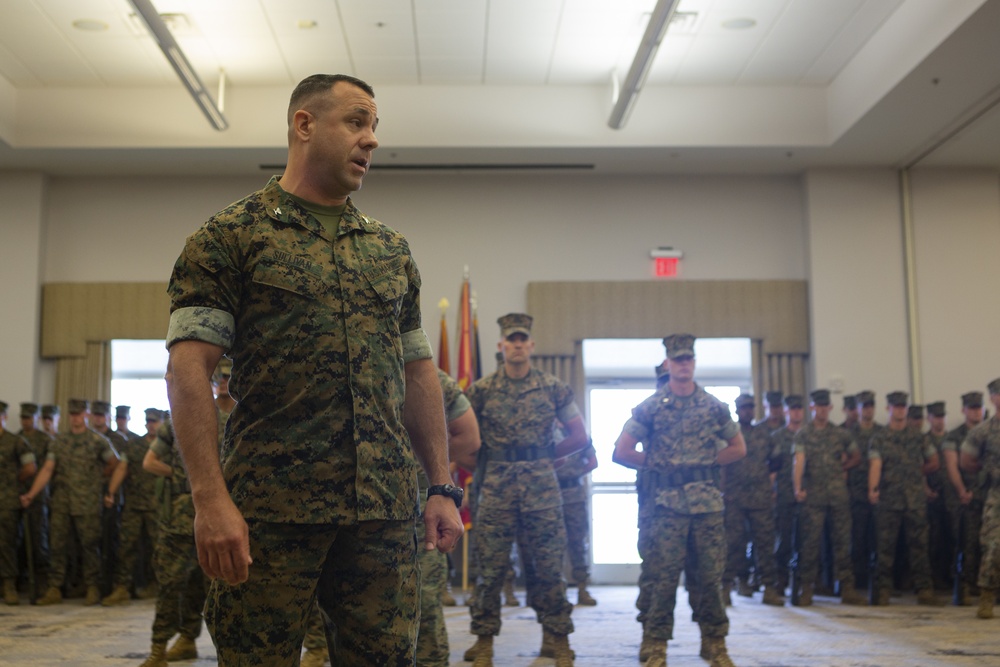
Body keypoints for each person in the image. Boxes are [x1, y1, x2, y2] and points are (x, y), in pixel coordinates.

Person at [163, 73, 462, 666]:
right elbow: (187, 371)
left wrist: (441, 485)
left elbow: (417, 372)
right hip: (270, 511)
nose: (371, 139)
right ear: (305, 124)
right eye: (357, 121)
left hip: (380, 511)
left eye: (374, 125)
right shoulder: (231, 237)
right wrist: (209, 500)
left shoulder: (389, 250)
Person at [301, 368, 480, 667]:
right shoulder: (337, 362)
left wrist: (408, 463)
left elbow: (470, 437)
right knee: (350, 602)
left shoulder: (425, 375)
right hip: (345, 502)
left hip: (414, 503)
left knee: (423, 601)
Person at [613, 333, 746, 667]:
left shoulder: (714, 406)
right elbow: (622, 451)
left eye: (688, 359)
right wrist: (656, 463)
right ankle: (655, 643)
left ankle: (714, 643)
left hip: (707, 508)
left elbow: (738, 447)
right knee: (661, 578)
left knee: (710, 579)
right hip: (665, 509)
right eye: (678, 360)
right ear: (667, 364)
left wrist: (707, 463)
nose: (683, 365)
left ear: (694, 363)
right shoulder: (651, 407)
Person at [464, 313, 587, 667]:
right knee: (490, 569)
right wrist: (487, 467)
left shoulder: (554, 387)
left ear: (531, 345)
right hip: (496, 489)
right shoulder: (481, 390)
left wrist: (546, 457)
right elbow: (461, 438)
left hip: (542, 491)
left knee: (549, 566)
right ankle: (484, 641)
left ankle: (557, 638)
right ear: (501, 346)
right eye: (511, 340)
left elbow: (579, 436)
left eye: (522, 340)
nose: (517, 345)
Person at [20, 398, 126, 606]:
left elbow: (114, 463)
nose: (76, 418)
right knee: (57, 545)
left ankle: (92, 587)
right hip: (62, 502)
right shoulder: (59, 441)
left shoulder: (97, 441)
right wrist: (32, 493)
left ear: (86, 415)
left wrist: (98, 481)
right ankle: (55, 588)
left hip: (87, 503)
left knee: (89, 546)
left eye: (80, 414)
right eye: (73, 414)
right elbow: (47, 469)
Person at [791, 389, 865, 606]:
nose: (822, 410)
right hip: (813, 496)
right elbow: (799, 462)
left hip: (838, 495)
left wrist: (842, 467)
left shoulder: (841, 434)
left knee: (843, 543)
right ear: (812, 407)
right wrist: (798, 488)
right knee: (810, 544)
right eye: (818, 406)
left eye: (825, 406)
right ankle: (807, 589)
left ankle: (847, 588)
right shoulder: (803, 434)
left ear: (830, 408)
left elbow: (856, 457)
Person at [867, 392, 941, 606]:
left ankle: (924, 590)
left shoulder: (918, 436)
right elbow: (875, 465)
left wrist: (916, 474)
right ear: (888, 408)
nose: (899, 410)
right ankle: (882, 591)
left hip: (914, 500)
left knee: (919, 547)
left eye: (902, 406)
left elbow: (934, 461)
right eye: (895, 406)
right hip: (888, 500)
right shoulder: (879, 438)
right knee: (885, 547)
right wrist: (873, 489)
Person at [723, 393, 783, 606]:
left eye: (750, 407)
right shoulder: (728, 435)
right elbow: (720, 464)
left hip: (761, 498)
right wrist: (724, 491)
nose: (747, 411)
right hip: (734, 498)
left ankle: (769, 588)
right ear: (737, 410)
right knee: (733, 544)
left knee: (766, 544)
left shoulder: (765, 434)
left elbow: (776, 462)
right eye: (743, 408)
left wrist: (768, 483)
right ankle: (727, 587)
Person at [103, 407, 162, 606]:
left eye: (154, 421)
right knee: (126, 546)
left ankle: (160, 587)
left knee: (160, 549)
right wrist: (111, 491)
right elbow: (122, 467)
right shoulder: (134, 445)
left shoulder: (169, 445)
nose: (151, 424)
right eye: (148, 421)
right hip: (134, 505)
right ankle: (122, 588)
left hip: (158, 507)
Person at [960, 378, 1000, 619]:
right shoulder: (983, 431)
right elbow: (966, 461)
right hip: (997, 495)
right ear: (993, 398)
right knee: (993, 546)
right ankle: (987, 597)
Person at [944, 391, 986, 605]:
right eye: (972, 408)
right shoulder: (954, 435)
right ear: (963, 410)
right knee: (966, 544)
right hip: (966, 497)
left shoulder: (991, 430)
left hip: (989, 496)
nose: (976, 411)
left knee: (989, 544)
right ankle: (965, 587)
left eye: (978, 407)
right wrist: (961, 490)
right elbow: (952, 466)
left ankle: (988, 587)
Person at [554, 435, 599, 607]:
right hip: (549, 494)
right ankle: (557, 591)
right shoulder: (545, 431)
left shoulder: (579, 437)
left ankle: (582, 589)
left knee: (578, 543)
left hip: (574, 495)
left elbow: (593, 462)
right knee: (552, 545)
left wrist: (573, 473)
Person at [1, 401, 37, 605]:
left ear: (4, 418)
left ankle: (9, 585)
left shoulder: (16, 441)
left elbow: (30, 467)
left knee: (7, 544)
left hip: (7, 501)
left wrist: (13, 483)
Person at [847, 390, 882, 589]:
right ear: (857, 409)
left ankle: (877, 581)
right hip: (856, 493)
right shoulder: (848, 434)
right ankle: (858, 580)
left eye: (871, 406)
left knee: (878, 540)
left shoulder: (883, 432)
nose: (868, 410)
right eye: (864, 406)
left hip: (879, 494)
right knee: (857, 539)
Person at [16, 402, 53, 594]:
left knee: (39, 539)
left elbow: (48, 469)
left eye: (29, 417)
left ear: (36, 418)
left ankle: (41, 581)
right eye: (23, 418)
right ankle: (20, 579)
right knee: (17, 540)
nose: (26, 421)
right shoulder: (16, 438)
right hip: (16, 495)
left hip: (38, 496)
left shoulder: (45, 440)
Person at [770, 395, 804, 596]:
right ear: (786, 411)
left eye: (799, 409)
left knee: (804, 541)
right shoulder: (777, 437)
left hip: (808, 496)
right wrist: (771, 490)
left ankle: (802, 582)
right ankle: (780, 580)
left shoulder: (809, 435)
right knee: (783, 540)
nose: (796, 412)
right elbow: (772, 468)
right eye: (792, 409)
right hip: (783, 494)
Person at [923, 401, 952, 590]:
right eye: (936, 417)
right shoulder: (923, 440)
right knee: (932, 538)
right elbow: (917, 467)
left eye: (942, 417)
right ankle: (932, 578)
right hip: (930, 496)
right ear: (929, 418)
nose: (939, 421)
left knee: (950, 537)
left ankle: (947, 576)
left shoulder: (952, 439)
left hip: (950, 496)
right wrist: (925, 488)